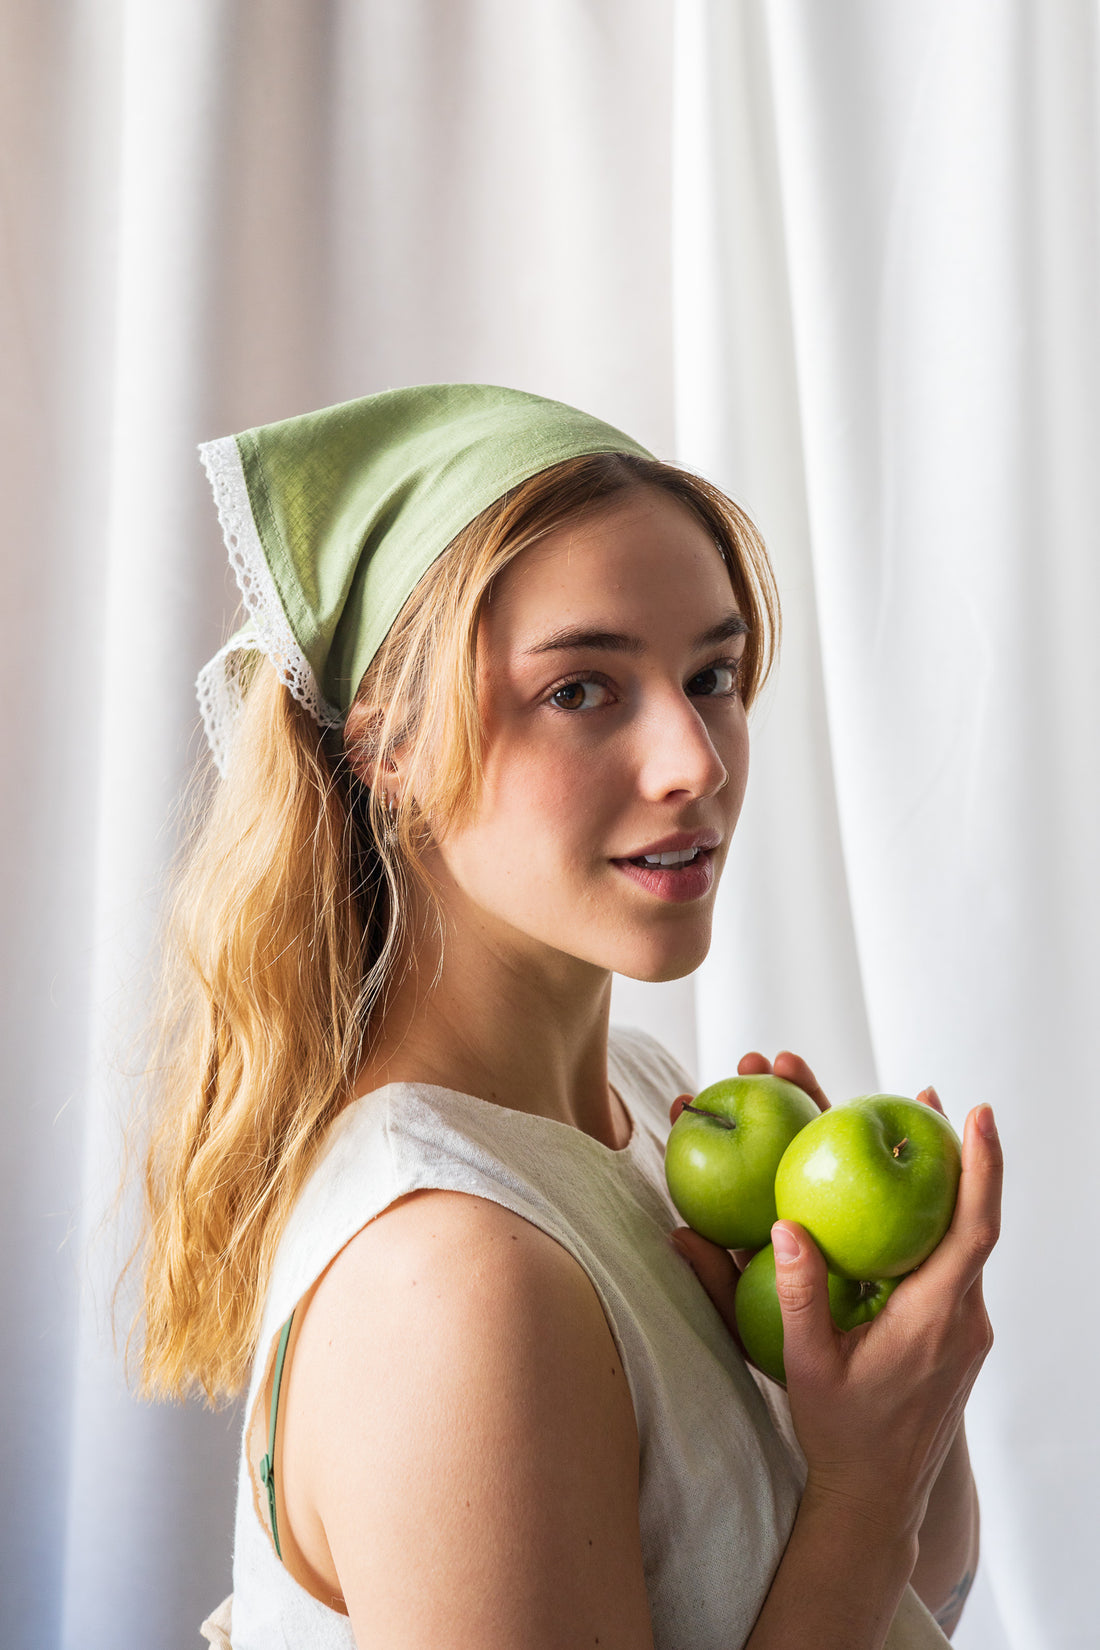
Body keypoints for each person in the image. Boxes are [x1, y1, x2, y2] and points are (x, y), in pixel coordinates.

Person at [133, 384, 1000, 1650]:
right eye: (582, 691)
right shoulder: (454, 1279)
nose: (696, 761)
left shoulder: (650, 1107)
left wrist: (899, 1403)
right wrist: (865, 1487)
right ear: (389, 749)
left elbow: (914, 1610)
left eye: (711, 673)